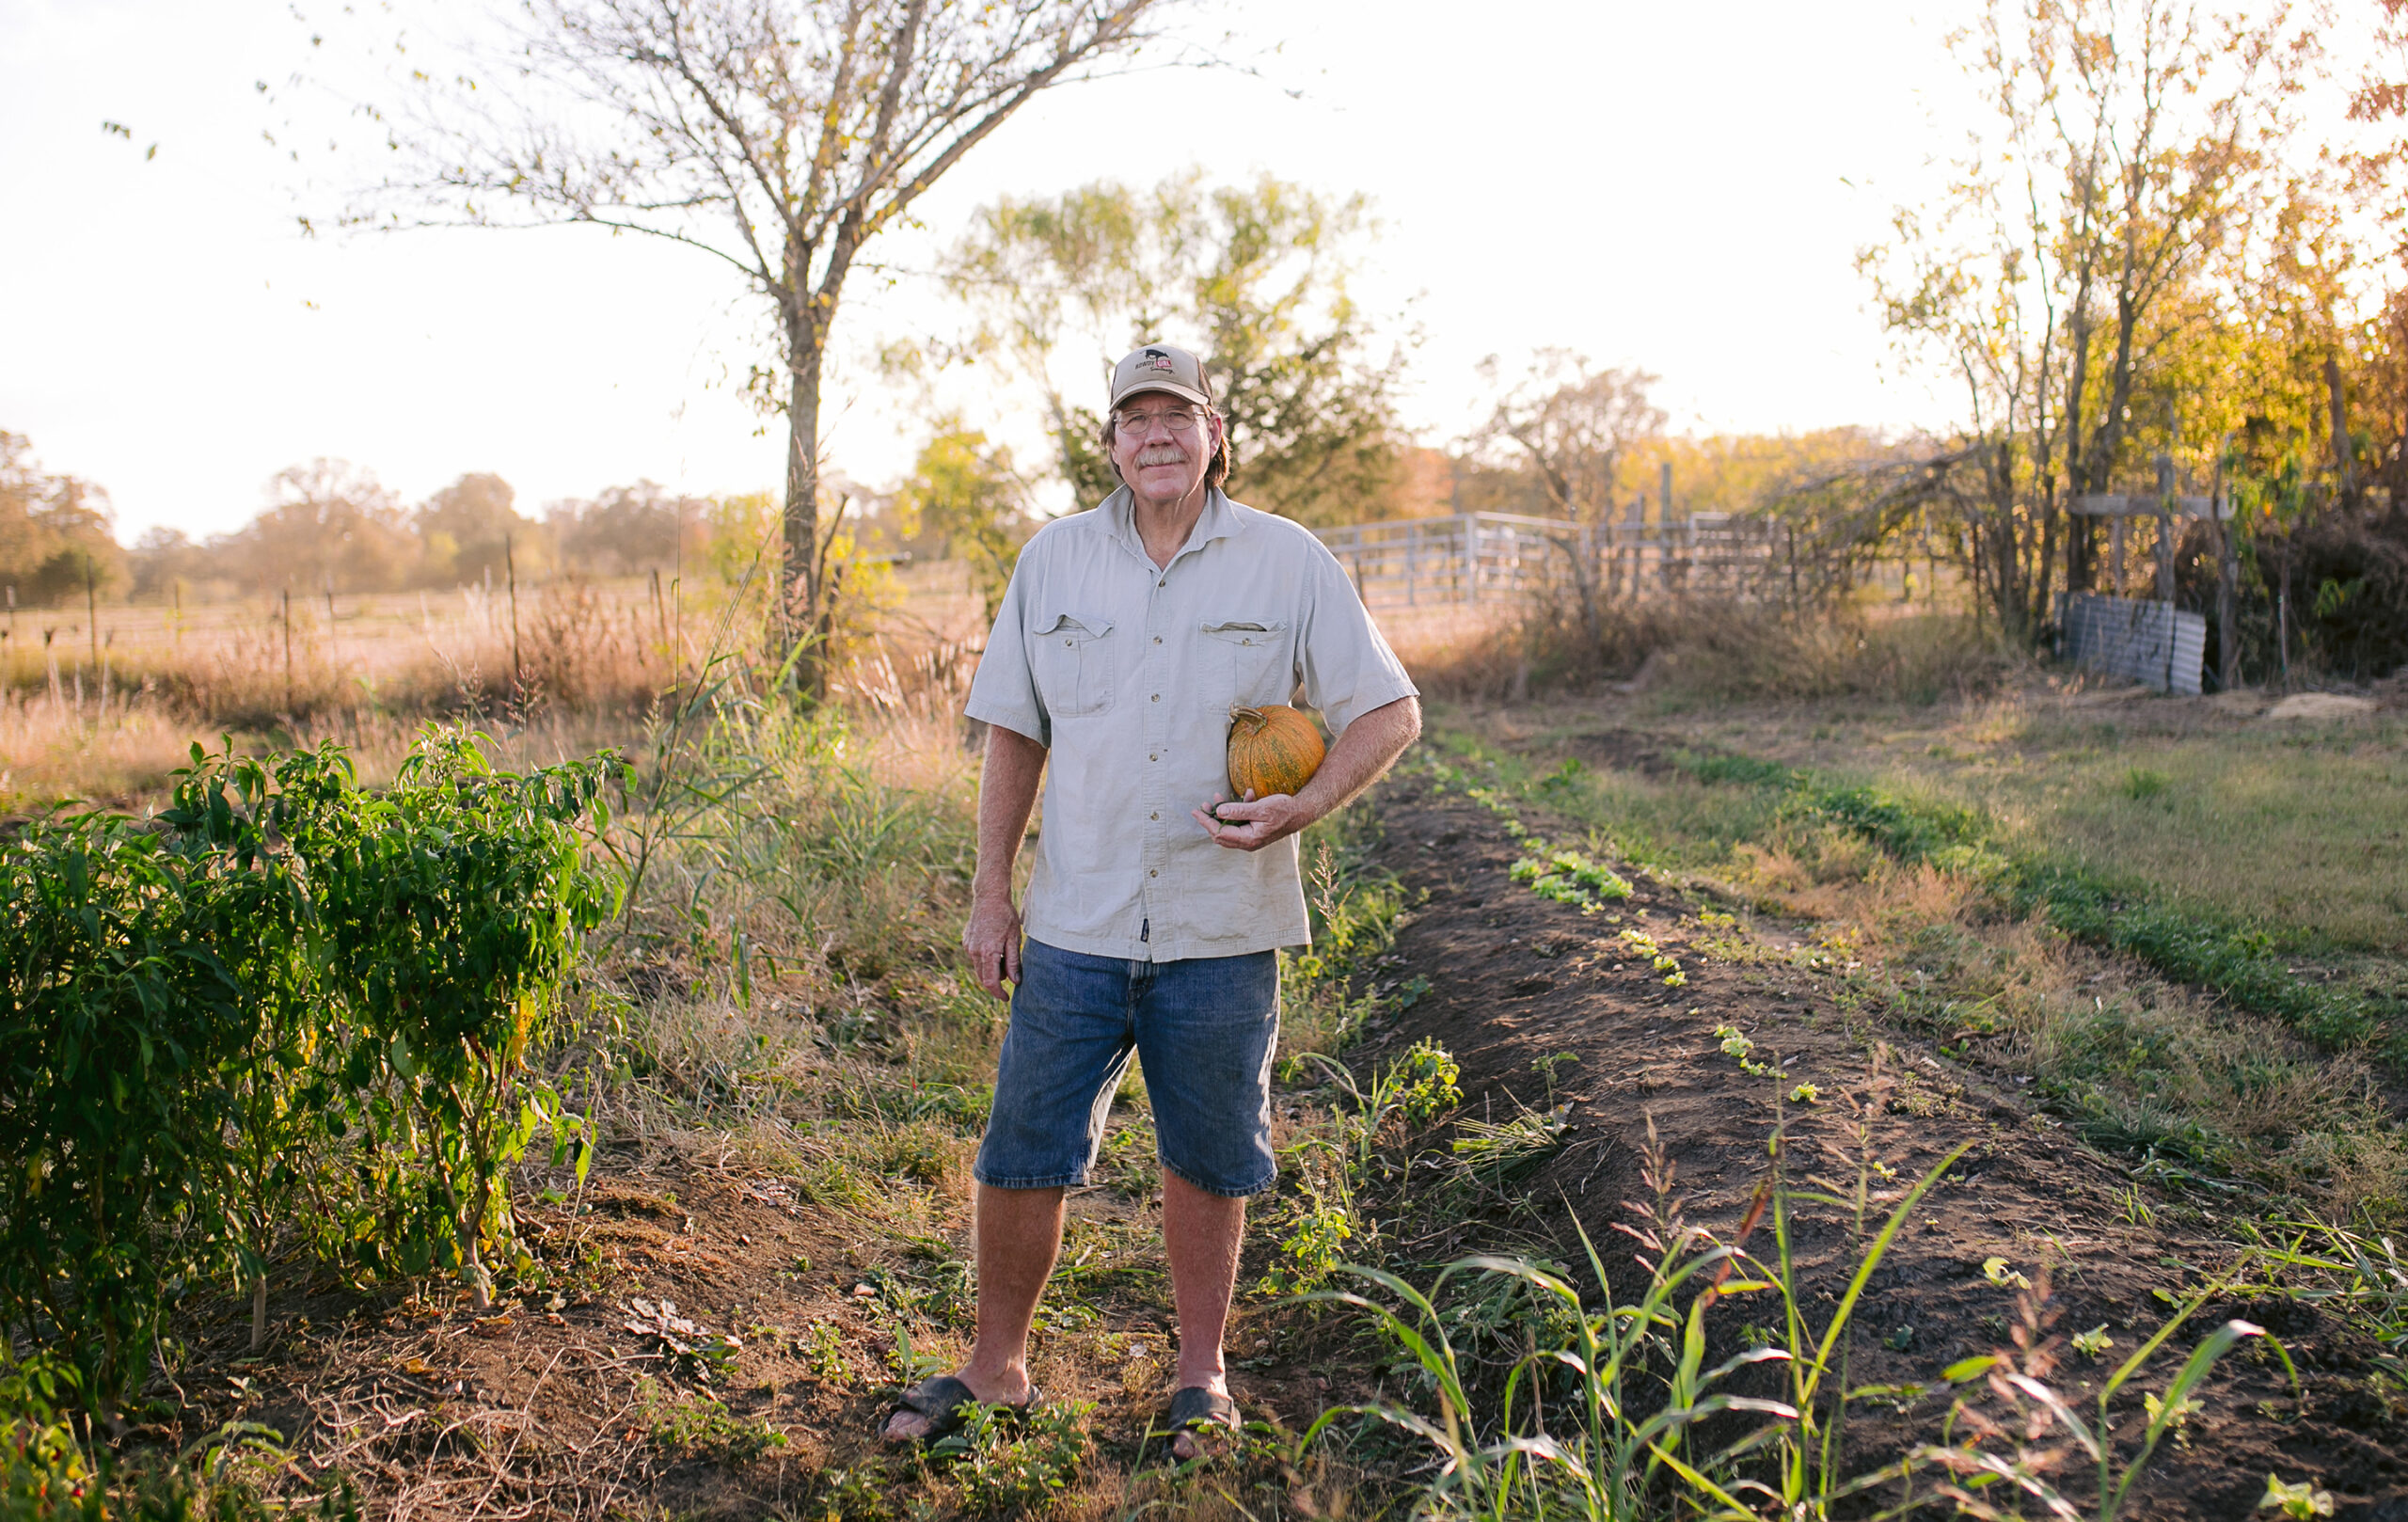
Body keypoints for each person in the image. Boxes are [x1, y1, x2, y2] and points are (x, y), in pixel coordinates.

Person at [879, 343, 1422, 1457]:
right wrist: (992, 897)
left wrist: (1304, 803)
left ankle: (1200, 1378)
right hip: (1076, 918)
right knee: (1021, 1144)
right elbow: (1014, 736)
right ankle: (997, 1368)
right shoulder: (1055, 563)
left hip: (1221, 926)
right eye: (1136, 418)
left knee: (1208, 1153)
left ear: (1216, 433)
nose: (1156, 435)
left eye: (1178, 415)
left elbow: (1388, 709)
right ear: (1111, 442)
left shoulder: (1287, 561)